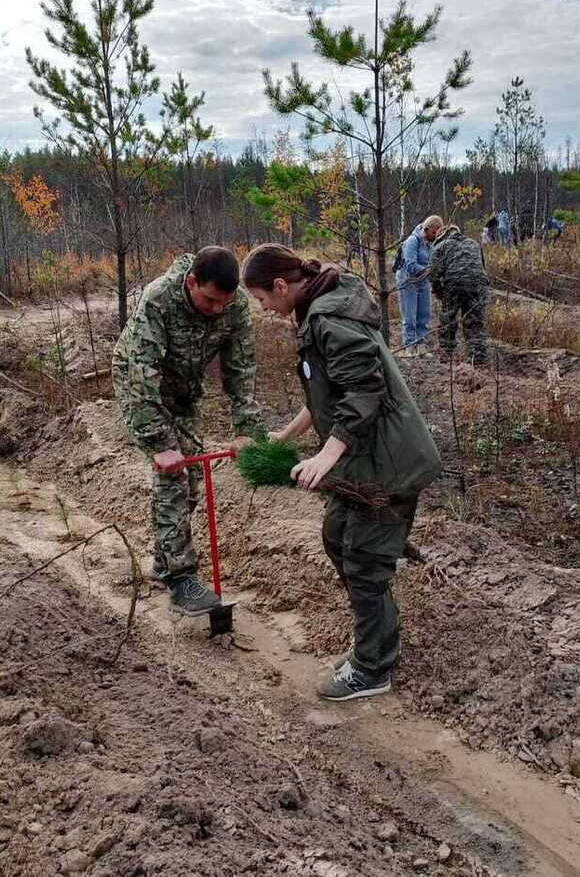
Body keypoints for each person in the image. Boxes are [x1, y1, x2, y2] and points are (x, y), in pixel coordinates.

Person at [243, 244, 441, 702]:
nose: (264, 310)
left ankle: (373, 669)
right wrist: (284, 436)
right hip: (366, 458)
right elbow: (325, 395)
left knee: (365, 561)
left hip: (390, 461)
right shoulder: (317, 313)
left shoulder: (330, 319)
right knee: (337, 537)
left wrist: (325, 456)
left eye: (261, 300)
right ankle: (377, 642)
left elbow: (363, 392)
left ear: (279, 285)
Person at [112, 247, 264, 616]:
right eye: (210, 300)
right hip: (140, 387)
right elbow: (140, 371)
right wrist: (160, 443)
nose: (217, 310)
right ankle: (180, 578)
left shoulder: (235, 307)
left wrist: (246, 427)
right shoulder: (159, 299)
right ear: (192, 281)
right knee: (174, 477)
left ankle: (165, 559)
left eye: (224, 303)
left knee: (194, 478)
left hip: (183, 392)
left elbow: (240, 367)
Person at [428, 222, 489, 364]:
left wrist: (438, 291)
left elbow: (433, 274)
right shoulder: (474, 244)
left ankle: (446, 355)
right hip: (478, 285)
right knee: (475, 322)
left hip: (454, 284)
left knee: (448, 319)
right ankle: (478, 358)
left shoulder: (440, 246)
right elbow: (482, 269)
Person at [395, 215, 441, 355]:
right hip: (408, 280)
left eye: (437, 234)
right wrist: (429, 269)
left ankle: (421, 346)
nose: (435, 236)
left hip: (423, 280)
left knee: (424, 314)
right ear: (426, 229)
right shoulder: (412, 241)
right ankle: (409, 347)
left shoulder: (430, 243)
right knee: (410, 316)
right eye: (434, 233)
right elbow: (410, 265)